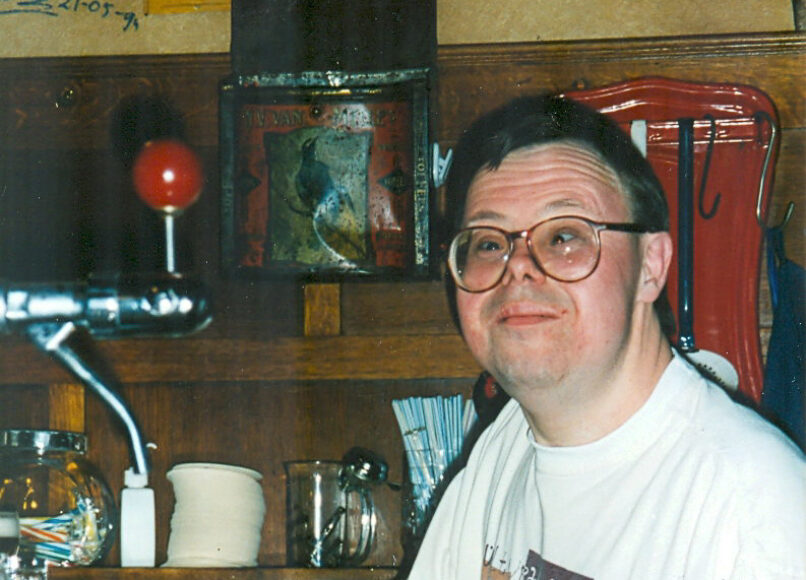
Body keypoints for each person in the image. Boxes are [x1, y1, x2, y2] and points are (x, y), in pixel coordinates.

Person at [408, 95, 805, 579]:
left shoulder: (753, 512)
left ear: (650, 267)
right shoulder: (505, 446)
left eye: (564, 237)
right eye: (489, 243)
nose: (519, 268)